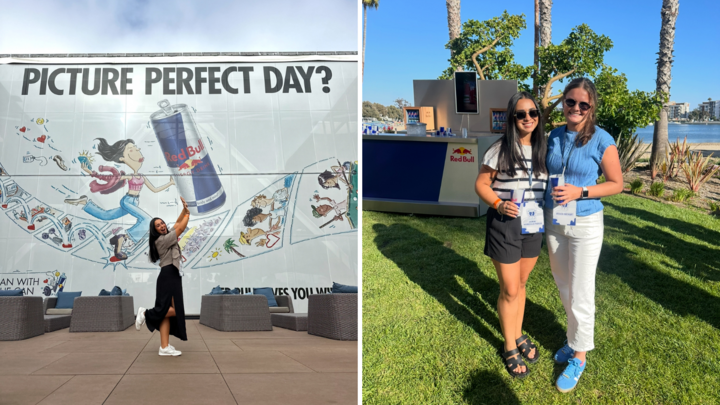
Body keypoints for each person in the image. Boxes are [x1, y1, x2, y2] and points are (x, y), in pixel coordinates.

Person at [544, 78, 623, 392]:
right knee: (564, 286)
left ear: (592, 108)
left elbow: (617, 184)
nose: (575, 108)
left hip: (586, 224)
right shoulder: (553, 135)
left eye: (583, 104)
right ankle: (573, 337)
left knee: (581, 291)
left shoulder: (602, 140)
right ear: (563, 103)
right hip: (554, 221)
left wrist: (582, 191)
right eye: (570, 102)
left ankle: (580, 355)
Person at [474, 91, 548, 378]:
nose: (527, 118)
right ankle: (509, 347)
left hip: (533, 225)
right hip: (505, 223)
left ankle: (517, 334)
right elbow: (481, 184)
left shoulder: (544, 150)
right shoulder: (499, 149)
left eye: (532, 113)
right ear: (512, 118)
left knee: (522, 282)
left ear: (538, 117)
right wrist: (498, 203)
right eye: (521, 114)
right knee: (510, 289)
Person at [64, 138, 175, 260]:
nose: (137, 150)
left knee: (106, 215)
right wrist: (92, 172)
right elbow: (109, 178)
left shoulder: (142, 176)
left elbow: (154, 189)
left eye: (136, 148)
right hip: (127, 201)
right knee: (148, 220)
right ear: (122, 159)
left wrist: (170, 184)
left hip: (134, 202)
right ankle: (123, 238)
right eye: (131, 150)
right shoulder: (129, 176)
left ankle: (86, 203)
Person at [135, 197, 190, 356]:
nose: (162, 226)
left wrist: (184, 211)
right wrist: (188, 214)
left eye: (162, 223)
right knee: (174, 310)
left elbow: (177, 224)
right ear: (155, 230)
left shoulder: (166, 235)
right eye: (158, 225)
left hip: (171, 275)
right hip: (168, 275)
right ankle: (145, 313)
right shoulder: (161, 241)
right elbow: (180, 228)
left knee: (169, 310)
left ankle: (164, 347)